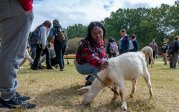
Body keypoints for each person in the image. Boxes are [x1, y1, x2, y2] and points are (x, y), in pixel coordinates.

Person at [0, 0, 36, 109]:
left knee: (9, 50)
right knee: (13, 53)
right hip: (17, 5)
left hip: (9, 5)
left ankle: (9, 92)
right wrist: (27, 5)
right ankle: (7, 97)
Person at [75, 21, 108, 86]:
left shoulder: (101, 41)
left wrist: (109, 61)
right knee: (102, 65)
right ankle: (90, 83)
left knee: (106, 62)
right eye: (94, 33)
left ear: (103, 31)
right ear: (90, 34)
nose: (98, 35)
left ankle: (91, 77)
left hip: (90, 63)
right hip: (81, 66)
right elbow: (91, 56)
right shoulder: (86, 43)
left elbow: (104, 55)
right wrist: (101, 63)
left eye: (99, 32)